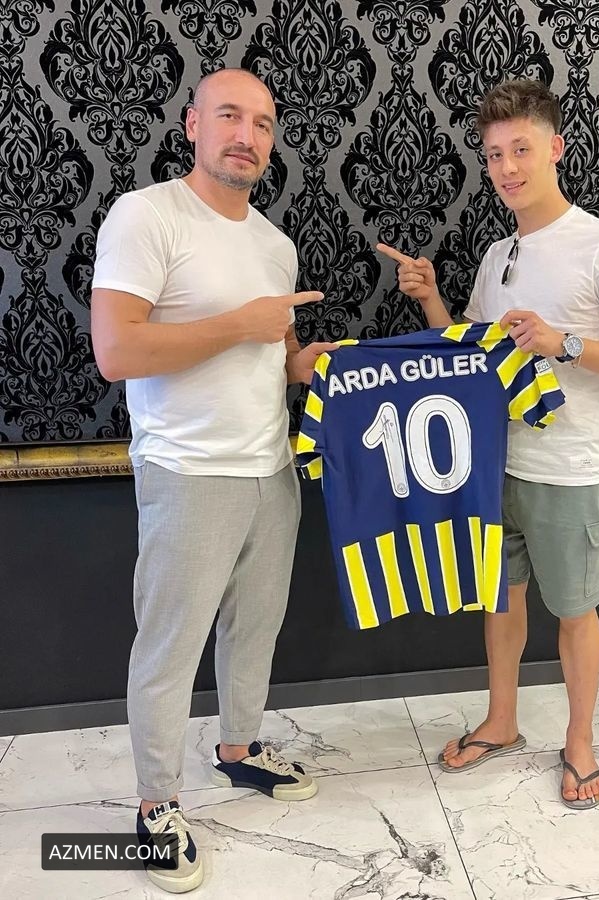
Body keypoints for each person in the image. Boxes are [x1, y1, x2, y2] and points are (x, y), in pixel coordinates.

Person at [378, 78, 599, 810]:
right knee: (501, 600)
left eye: (520, 150)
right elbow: (470, 354)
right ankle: (502, 721)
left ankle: (580, 742)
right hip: (493, 464)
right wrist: (430, 298)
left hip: (569, 469)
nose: (506, 167)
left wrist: (565, 342)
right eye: (494, 154)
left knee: (575, 609)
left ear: (555, 149)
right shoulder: (497, 254)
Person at [91, 68, 335, 892]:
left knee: (254, 630)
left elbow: (273, 353)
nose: (246, 136)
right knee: (170, 647)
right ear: (193, 124)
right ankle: (156, 804)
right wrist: (239, 324)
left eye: (262, 123)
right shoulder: (146, 215)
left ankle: (238, 747)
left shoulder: (274, 244)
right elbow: (116, 351)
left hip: (272, 468)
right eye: (230, 116)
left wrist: (301, 363)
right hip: (188, 473)